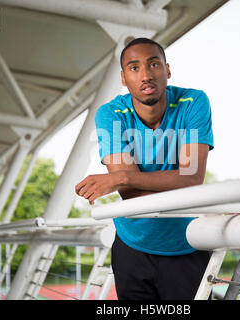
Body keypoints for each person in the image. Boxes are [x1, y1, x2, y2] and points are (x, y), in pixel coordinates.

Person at [75, 37, 214, 300]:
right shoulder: (111, 113)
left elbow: (192, 178)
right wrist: (125, 182)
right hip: (132, 245)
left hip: (186, 244)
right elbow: (130, 194)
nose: (146, 75)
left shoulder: (193, 102)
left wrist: (121, 177)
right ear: (123, 78)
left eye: (154, 64)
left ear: (167, 70)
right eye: (134, 68)